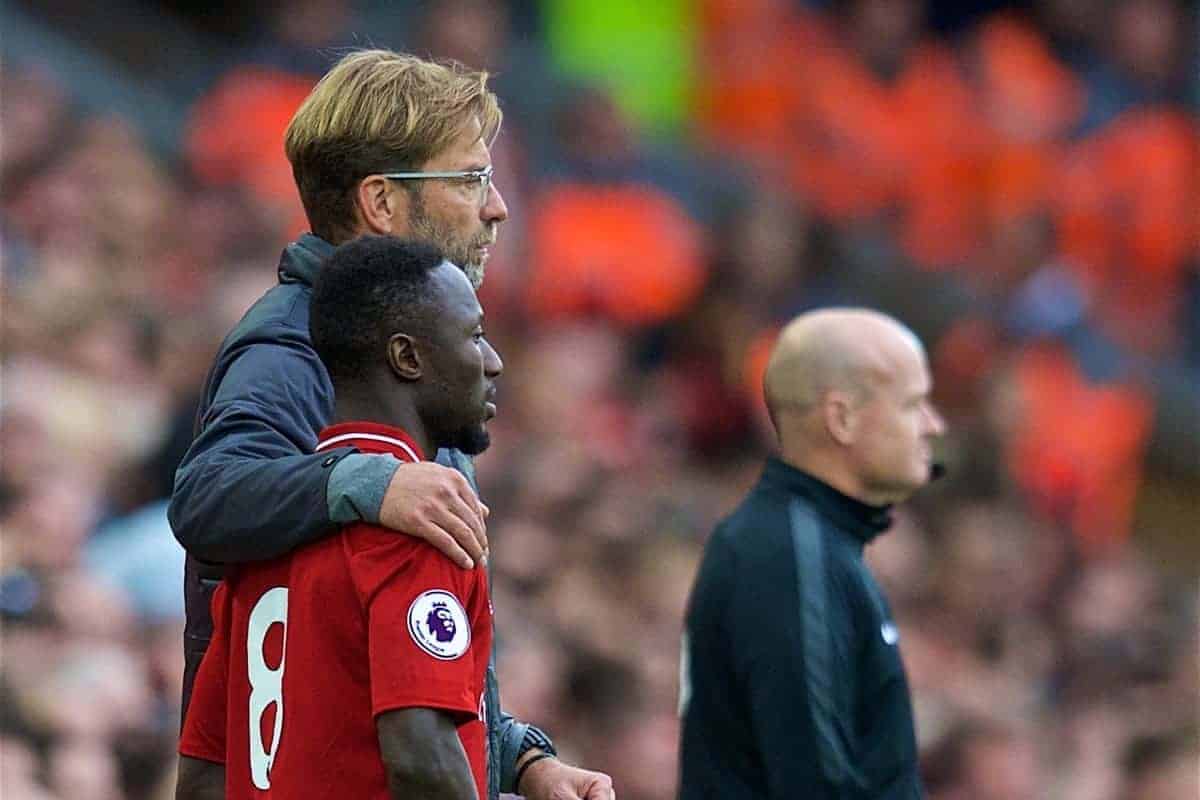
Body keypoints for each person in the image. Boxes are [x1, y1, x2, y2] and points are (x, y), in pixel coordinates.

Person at [170, 49, 610, 800]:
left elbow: (365, 662)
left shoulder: (400, 373)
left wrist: (521, 761)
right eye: (471, 178)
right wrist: (375, 482)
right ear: (381, 203)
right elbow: (208, 494)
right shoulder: (293, 343)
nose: (497, 206)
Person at [178, 237, 497, 798]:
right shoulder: (418, 521)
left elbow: (205, 776)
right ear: (408, 358)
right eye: (474, 336)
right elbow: (422, 760)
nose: (493, 360)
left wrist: (524, 762)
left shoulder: (264, 539)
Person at [678, 308, 946, 799]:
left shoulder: (806, 544)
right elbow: (817, 785)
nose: (932, 425)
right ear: (841, 418)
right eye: (913, 405)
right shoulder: (790, 559)